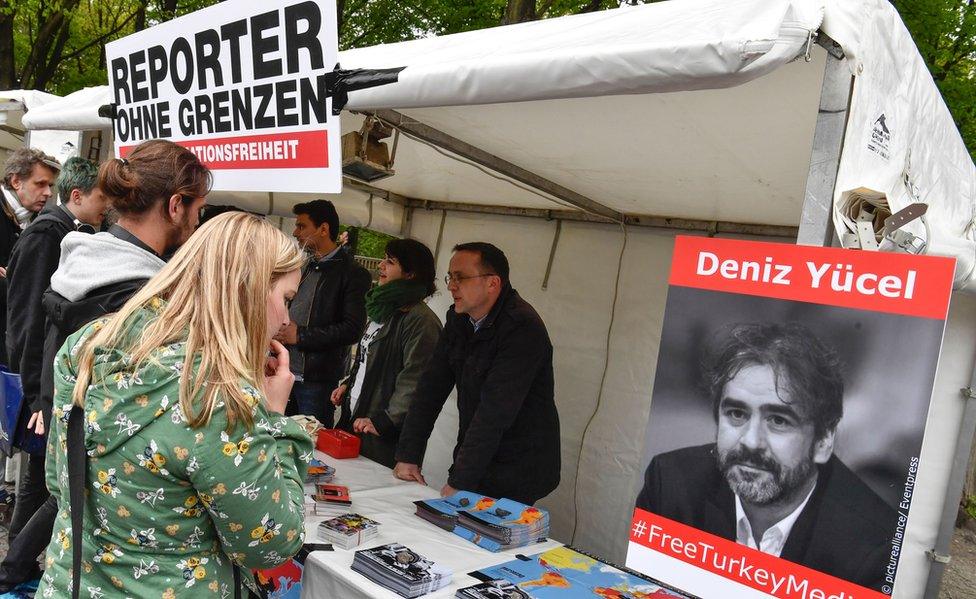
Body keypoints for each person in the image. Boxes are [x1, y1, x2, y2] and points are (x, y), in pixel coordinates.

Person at [38, 211, 311, 597]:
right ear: (247, 290)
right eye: (286, 298)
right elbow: (271, 542)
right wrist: (274, 420)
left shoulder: (89, 344)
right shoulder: (218, 396)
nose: (285, 318)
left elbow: (58, 478)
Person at [0, 139, 210, 594]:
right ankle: (14, 568)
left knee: (55, 502)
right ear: (176, 205)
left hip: (72, 436)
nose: (198, 222)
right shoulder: (136, 295)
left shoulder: (86, 260)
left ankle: (16, 567)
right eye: (198, 209)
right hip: (107, 474)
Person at [635, 322, 897, 591]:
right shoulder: (670, 484)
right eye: (737, 414)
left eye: (778, 420)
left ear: (822, 440)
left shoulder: (874, 549)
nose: (750, 441)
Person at [0, 157, 107, 590]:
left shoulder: (64, 232)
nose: (108, 207)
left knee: (41, 481)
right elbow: (27, 319)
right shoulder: (48, 234)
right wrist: (37, 392)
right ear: (78, 196)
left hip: (46, 382)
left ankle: (16, 568)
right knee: (42, 481)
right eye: (102, 198)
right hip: (42, 383)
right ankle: (13, 570)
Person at [393, 242, 561, 505]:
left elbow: (494, 413)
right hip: (479, 454)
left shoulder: (522, 328)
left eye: (461, 277)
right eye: (450, 277)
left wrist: (460, 481)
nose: (451, 286)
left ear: (492, 283)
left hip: (519, 466)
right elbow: (430, 389)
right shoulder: (459, 319)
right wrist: (409, 454)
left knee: (483, 535)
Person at [331, 238, 442, 468]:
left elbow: (415, 381)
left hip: (383, 438)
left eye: (390, 262)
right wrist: (348, 384)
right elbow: (365, 357)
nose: (381, 265)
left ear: (410, 274)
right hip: (355, 422)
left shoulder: (421, 321)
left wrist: (385, 421)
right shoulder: (383, 309)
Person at [275, 200, 370, 426]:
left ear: (323, 229)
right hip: (284, 370)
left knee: (311, 449)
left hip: (317, 381)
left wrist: (301, 336)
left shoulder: (353, 273)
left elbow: (352, 329)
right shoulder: (304, 265)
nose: (295, 232)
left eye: (302, 226)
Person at [0, 148, 59, 365]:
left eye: (50, 185)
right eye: (40, 184)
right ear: (16, 181)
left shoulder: (37, 220)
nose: (48, 193)